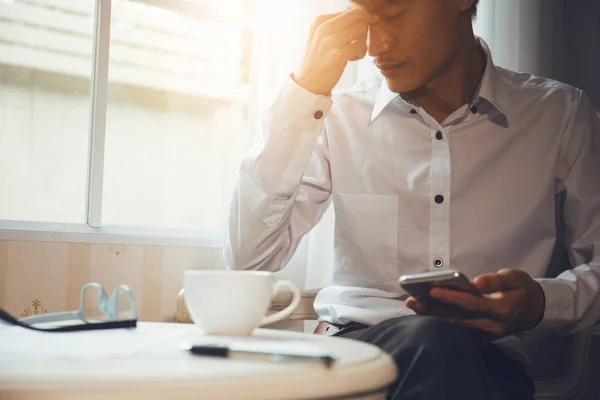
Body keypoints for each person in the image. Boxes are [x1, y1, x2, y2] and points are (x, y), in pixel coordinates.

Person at [225, 0, 600, 398]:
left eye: (392, 14)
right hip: (352, 351)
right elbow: (250, 258)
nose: (375, 46)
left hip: (488, 364)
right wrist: (305, 90)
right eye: (364, 21)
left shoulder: (559, 114)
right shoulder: (337, 116)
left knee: (441, 346)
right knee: (433, 342)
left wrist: (543, 302)